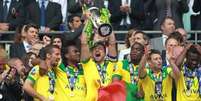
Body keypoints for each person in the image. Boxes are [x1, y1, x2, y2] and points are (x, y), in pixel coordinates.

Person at [80, 31, 117, 101]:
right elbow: (84, 42)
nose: (97, 50)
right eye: (94, 49)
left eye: (100, 48)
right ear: (91, 53)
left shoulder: (111, 63)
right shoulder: (87, 64)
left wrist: (106, 24)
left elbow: (112, 43)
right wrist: (90, 20)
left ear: (105, 52)